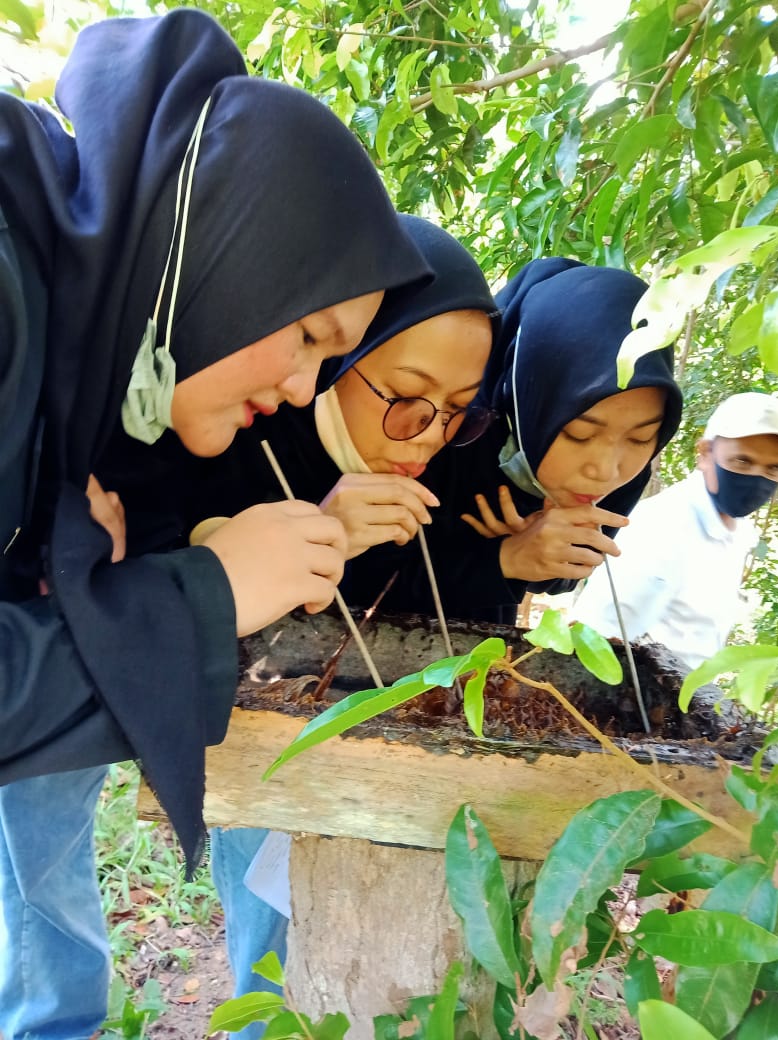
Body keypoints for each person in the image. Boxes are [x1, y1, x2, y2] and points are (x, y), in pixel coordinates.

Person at [0, 9, 432, 1039]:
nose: (298, 386)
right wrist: (212, 593)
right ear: (235, 246)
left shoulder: (75, 340)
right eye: (308, 334)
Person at [140, 213, 498, 1034]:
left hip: (383, 747)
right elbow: (157, 565)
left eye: (460, 413)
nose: (429, 436)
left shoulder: (432, 457)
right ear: (338, 355)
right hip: (257, 746)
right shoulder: (240, 421)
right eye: (406, 398)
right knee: (275, 954)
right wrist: (310, 530)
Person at [345, 257, 683, 625]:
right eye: (579, 434)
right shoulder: (442, 433)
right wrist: (504, 557)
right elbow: (361, 575)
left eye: (641, 437)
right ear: (531, 400)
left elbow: (564, 571)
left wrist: (540, 551)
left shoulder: (619, 471)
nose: (604, 470)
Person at [573, 391, 778, 670]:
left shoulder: (739, 531)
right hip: (636, 700)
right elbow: (596, 636)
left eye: (773, 468)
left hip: (686, 700)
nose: (757, 479)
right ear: (706, 454)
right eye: (742, 461)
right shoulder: (662, 527)